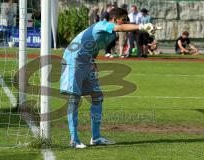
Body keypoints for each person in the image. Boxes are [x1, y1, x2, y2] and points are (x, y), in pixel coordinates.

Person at [60, 7, 156, 149]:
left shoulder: (110, 35)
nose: (125, 22)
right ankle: (74, 139)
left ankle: (96, 137)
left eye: (126, 20)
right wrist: (141, 26)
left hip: (87, 62)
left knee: (97, 96)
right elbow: (121, 27)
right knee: (74, 99)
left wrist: (93, 60)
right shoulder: (102, 24)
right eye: (123, 19)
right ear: (114, 19)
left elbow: (95, 44)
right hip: (73, 60)